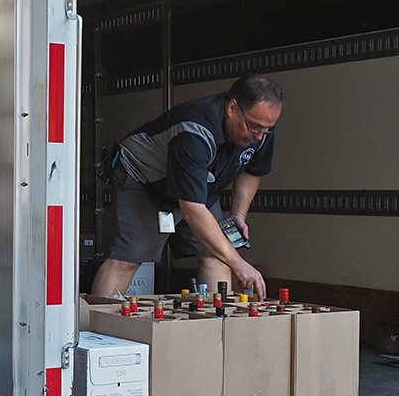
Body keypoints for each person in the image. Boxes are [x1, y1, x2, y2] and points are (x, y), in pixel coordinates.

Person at [92, 74, 282, 300]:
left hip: (199, 186)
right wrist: (239, 264)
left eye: (266, 129)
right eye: (254, 127)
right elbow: (192, 209)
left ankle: (218, 320)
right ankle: (96, 319)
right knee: (128, 259)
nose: (259, 136)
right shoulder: (194, 129)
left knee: (217, 255)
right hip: (145, 179)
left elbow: (252, 169)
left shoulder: (261, 128)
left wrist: (238, 215)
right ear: (232, 108)